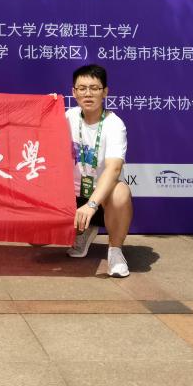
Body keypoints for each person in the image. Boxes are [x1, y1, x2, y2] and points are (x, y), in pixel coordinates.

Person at [66, 64, 133, 277]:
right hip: (71, 195)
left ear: (105, 92)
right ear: (74, 92)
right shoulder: (67, 117)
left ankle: (115, 251)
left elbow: (114, 168)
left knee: (120, 193)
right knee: (36, 241)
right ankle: (83, 233)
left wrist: (91, 205)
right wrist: (44, 108)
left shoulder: (114, 125)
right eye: (82, 88)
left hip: (101, 199)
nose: (88, 93)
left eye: (94, 88)